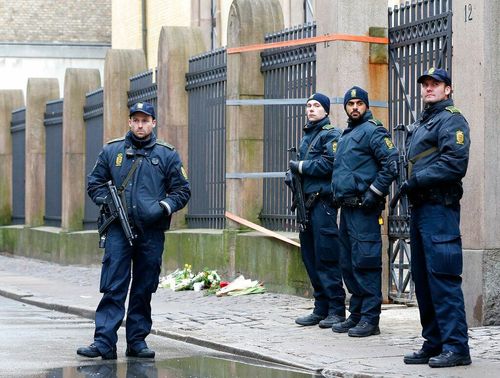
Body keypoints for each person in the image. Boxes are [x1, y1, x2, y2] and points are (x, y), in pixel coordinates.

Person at [77, 101, 190, 360]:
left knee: (143, 286)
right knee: (114, 285)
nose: (140, 125)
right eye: (136, 120)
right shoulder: (112, 150)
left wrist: (163, 207)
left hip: (151, 231)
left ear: (153, 123)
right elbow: (94, 184)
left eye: (145, 120)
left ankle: (137, 341)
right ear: (129, 122)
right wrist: (110, 204)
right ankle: (104, 342)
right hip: (118, 229)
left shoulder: (167, 155)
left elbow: (182, 191)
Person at [401, 68, 471, 368]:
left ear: (448, 89)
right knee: (423, 279)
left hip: (439, 209)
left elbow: (455, 163)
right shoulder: (424, 121)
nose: (429, 88)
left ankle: (456, 347)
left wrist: (418, 180)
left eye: (435, 84)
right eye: (425, 84)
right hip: (421, 210)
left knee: (442, 278)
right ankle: (434, 342)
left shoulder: (452, 119)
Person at [331, 86, 398, 337]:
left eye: (360, 103)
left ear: (366, 106)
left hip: (365, 209)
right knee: (348, 264)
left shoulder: (373, 131)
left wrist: (374, 192)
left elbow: (391, 162)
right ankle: (356, 314)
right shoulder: (348, 134)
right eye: (351, 104)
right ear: (346, 107)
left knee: (365, 262)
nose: (355, 107)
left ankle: (371, 319)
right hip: (347, 210)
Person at [287, 93, 346, 328]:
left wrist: (300, 166)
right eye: (309, 106)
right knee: (310, 257)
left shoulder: (331, 134)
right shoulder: (307, 135)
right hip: (307, 205)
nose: (311, 109)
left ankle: (336, 309)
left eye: (317, 106)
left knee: (326, 257)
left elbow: (330, 164)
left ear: (326, 111)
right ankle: (320, 307)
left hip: (323, 204)